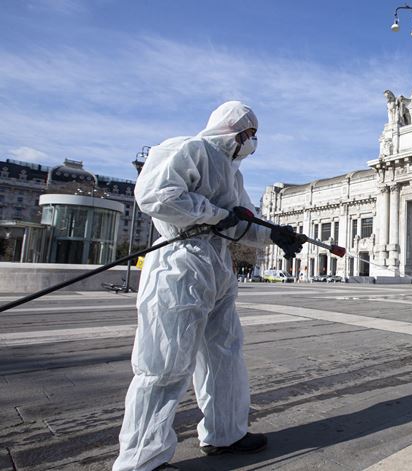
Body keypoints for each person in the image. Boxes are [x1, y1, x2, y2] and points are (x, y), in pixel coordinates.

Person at [114, 102, 304, 471]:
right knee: (164, 363)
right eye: (248, 135)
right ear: (232, 130)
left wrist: (274, 234)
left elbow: (241, 222)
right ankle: (139, 460)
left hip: (216, 267)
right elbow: (156, 195)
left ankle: (225, 433)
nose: (251, 143)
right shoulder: (186, 149)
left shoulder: (233, 175)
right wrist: (218, 214)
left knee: (224, 353)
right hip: (179, 263)